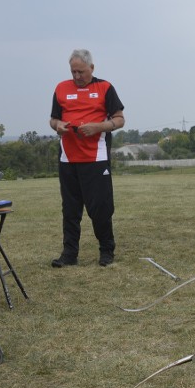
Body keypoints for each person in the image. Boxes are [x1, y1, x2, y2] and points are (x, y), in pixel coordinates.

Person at [49, 49, 125, 267]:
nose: (76, 76)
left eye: (81, 72)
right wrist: (58, 126)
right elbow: (53, 119)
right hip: (68, 159)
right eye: (73, 72)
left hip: (96, 159)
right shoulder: (61, 89)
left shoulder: (105, 88)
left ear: (92, 68)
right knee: (70, 210)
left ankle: (106, 251)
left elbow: (119, 119)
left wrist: (99, 127)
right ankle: (69, 255)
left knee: (100, 208)